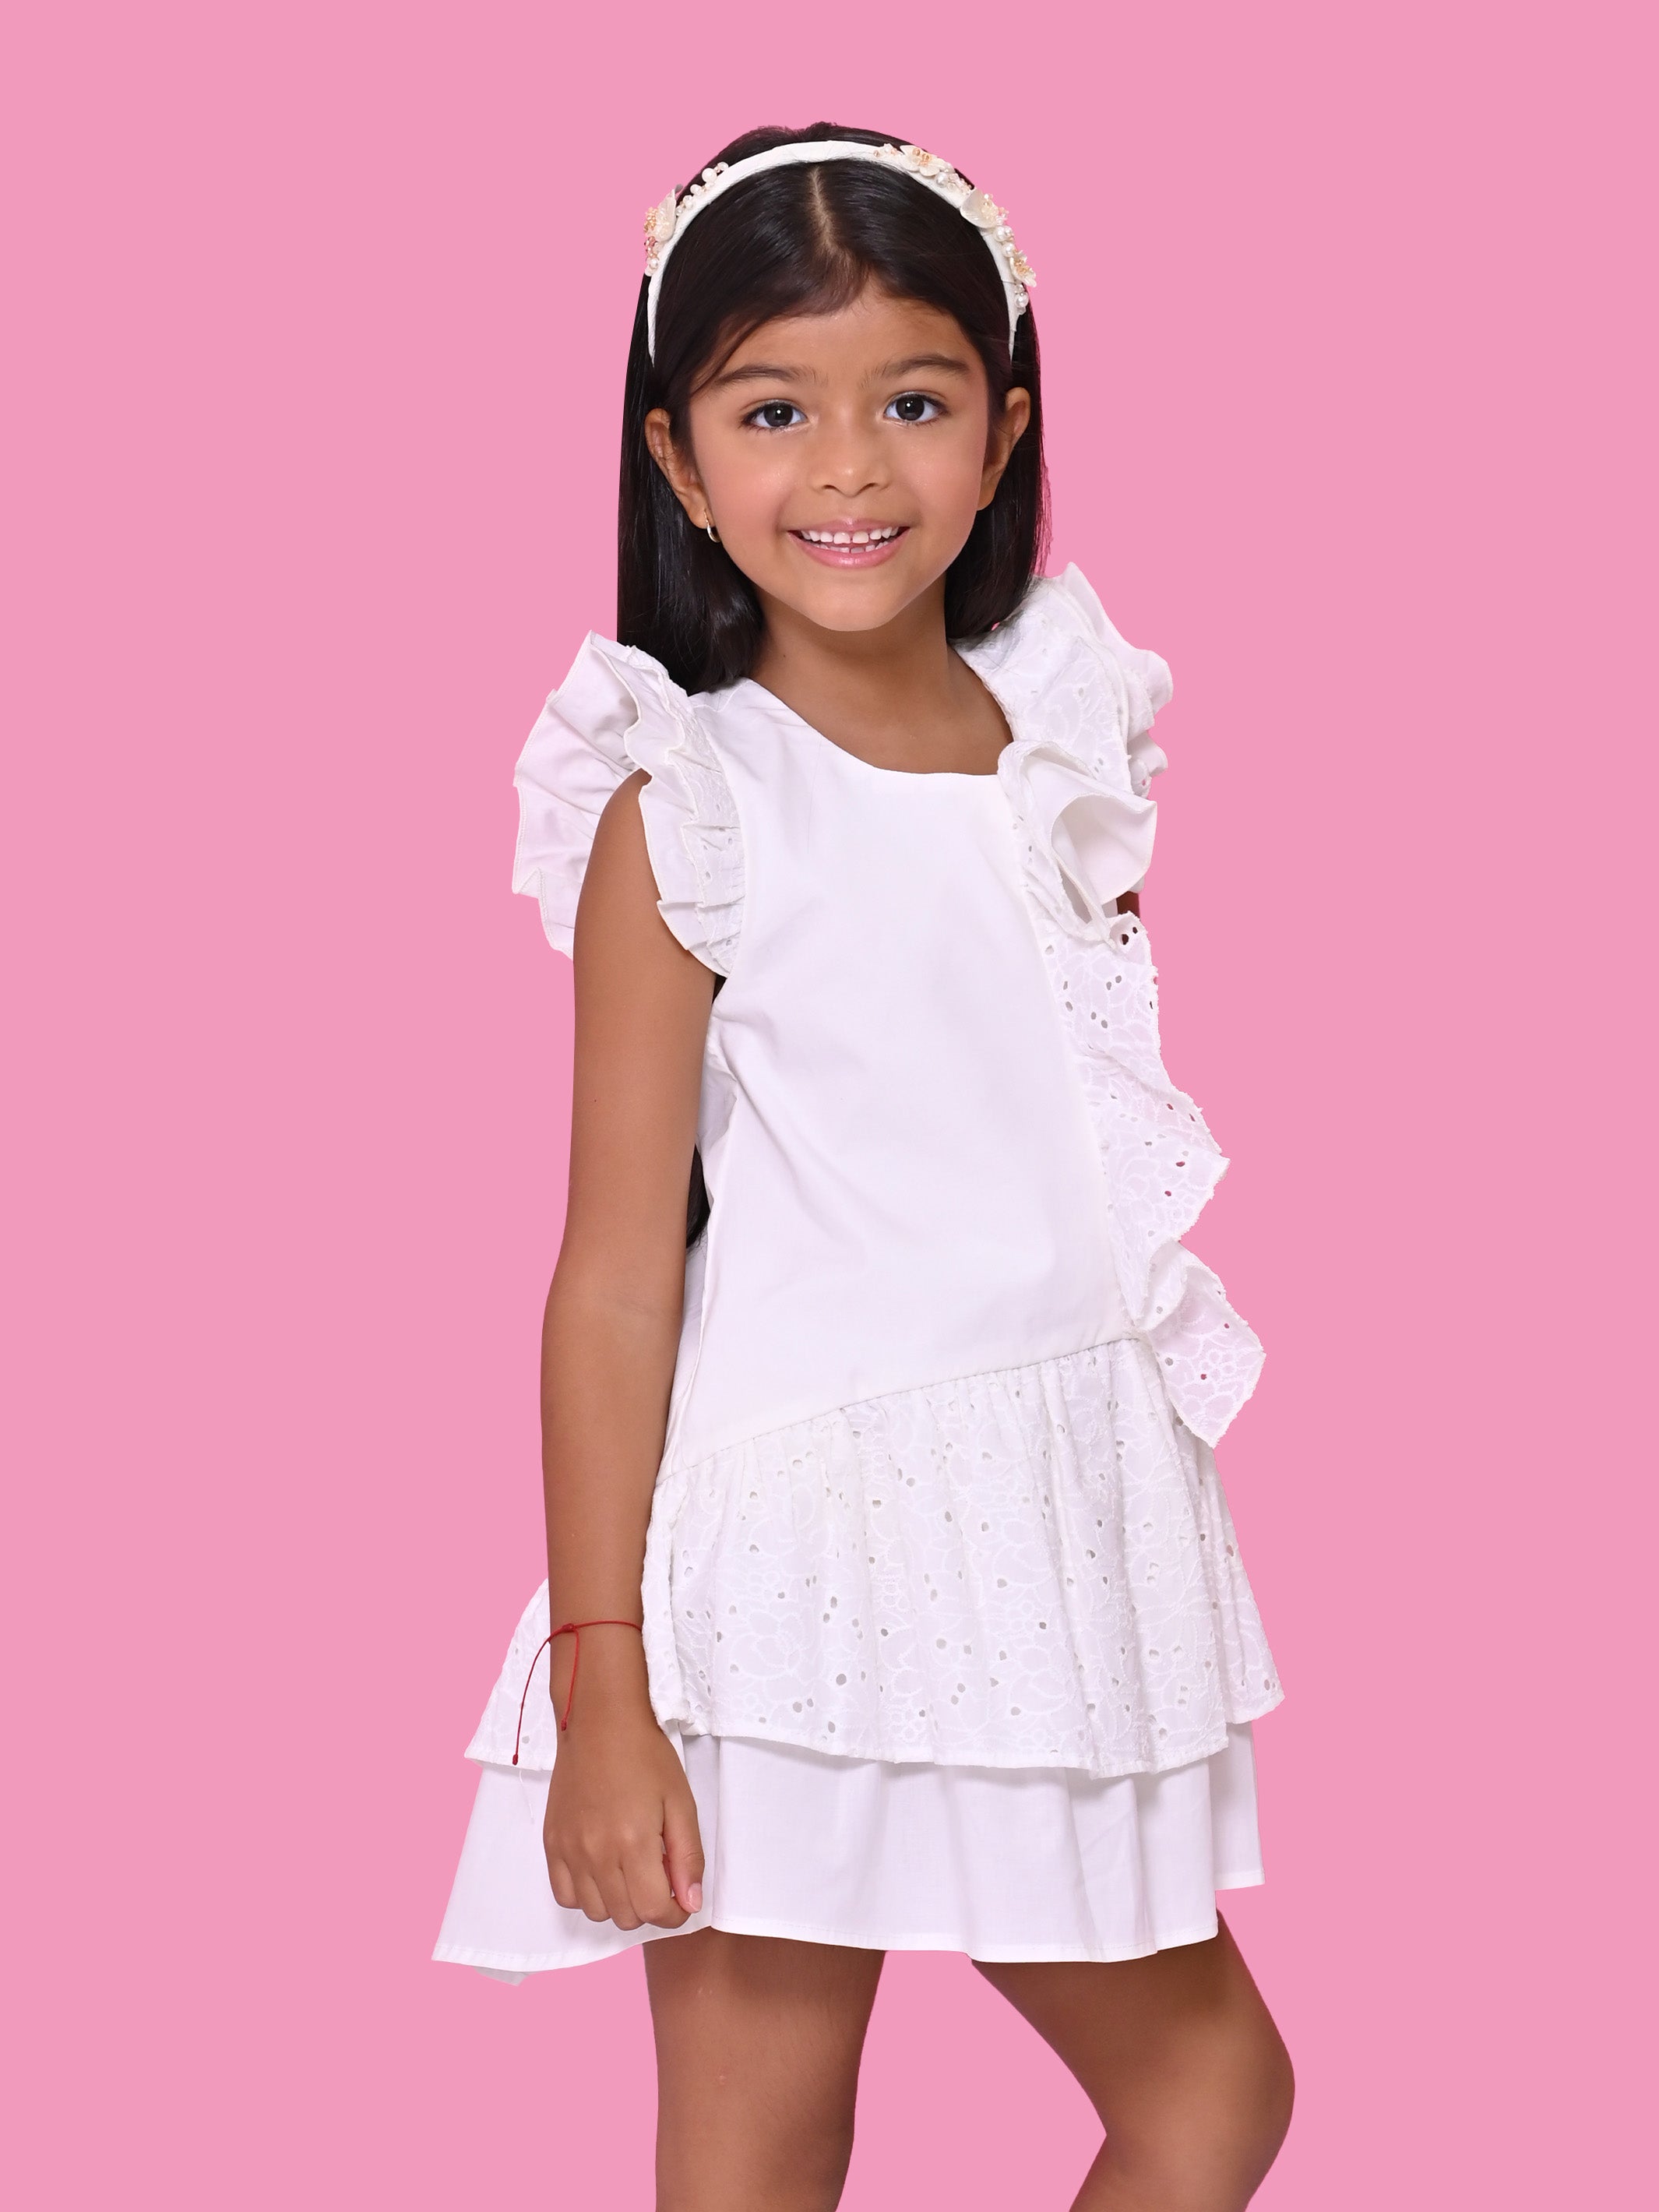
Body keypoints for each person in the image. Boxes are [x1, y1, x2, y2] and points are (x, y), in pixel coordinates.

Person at [436, 123, 1294, 2210]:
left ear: (1004, 433)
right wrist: (605, 1683)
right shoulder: (693, 803)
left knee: (1210, 2095)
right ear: (674, 458)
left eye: (911, 401)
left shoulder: (1062, 755)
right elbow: (617, 1269)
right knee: (761, 2156)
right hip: (794, 1563)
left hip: (1049, 1538)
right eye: (772, 411)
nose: (849, 468)